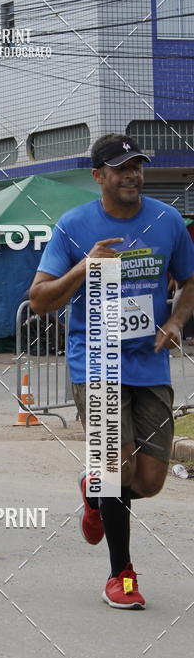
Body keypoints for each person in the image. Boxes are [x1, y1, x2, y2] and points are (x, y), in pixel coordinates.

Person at [30, 133, 194, 610]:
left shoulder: (167, 221)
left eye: (137, 166)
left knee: (148, 481)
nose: (132, 175)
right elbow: (39, 301)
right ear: (98, 176)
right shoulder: (73, 225)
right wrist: (84, 266)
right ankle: (121, 575)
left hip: (150, 363)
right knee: (114, 466)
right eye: (121, 168)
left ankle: (94, 492)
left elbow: (190, 280)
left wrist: (177, 320)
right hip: (96, 362)